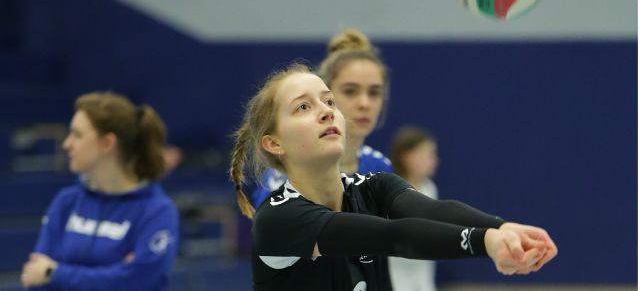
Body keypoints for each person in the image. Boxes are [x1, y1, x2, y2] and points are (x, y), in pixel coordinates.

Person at [229, 64, 558, 291]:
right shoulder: (279, 218)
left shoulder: (373, 187)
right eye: (303, 107)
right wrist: (485, 242)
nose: (327, 110)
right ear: (274, 142)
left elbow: (432, 210)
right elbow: (394, 236)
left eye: (329, 101)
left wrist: (502, 228)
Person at [21, 92, 179, 291]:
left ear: (107, 144)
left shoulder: (157, 211)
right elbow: (35, 277)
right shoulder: (66, 202)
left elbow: (137, 282)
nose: (66, 144)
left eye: (77, 135)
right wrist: (114, 273)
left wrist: (55, 273)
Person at [251, 29, 393, 208]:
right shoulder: (281, 184)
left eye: (374, 92)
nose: (364, 103)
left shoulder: (380, 166)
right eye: (350, 91)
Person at [388, 126, 441, 291]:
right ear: (407, 157)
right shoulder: (389, 190)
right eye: (427, 155)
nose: (434, 161)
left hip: (423, 280)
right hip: (396, 279)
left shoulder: (430, 189)